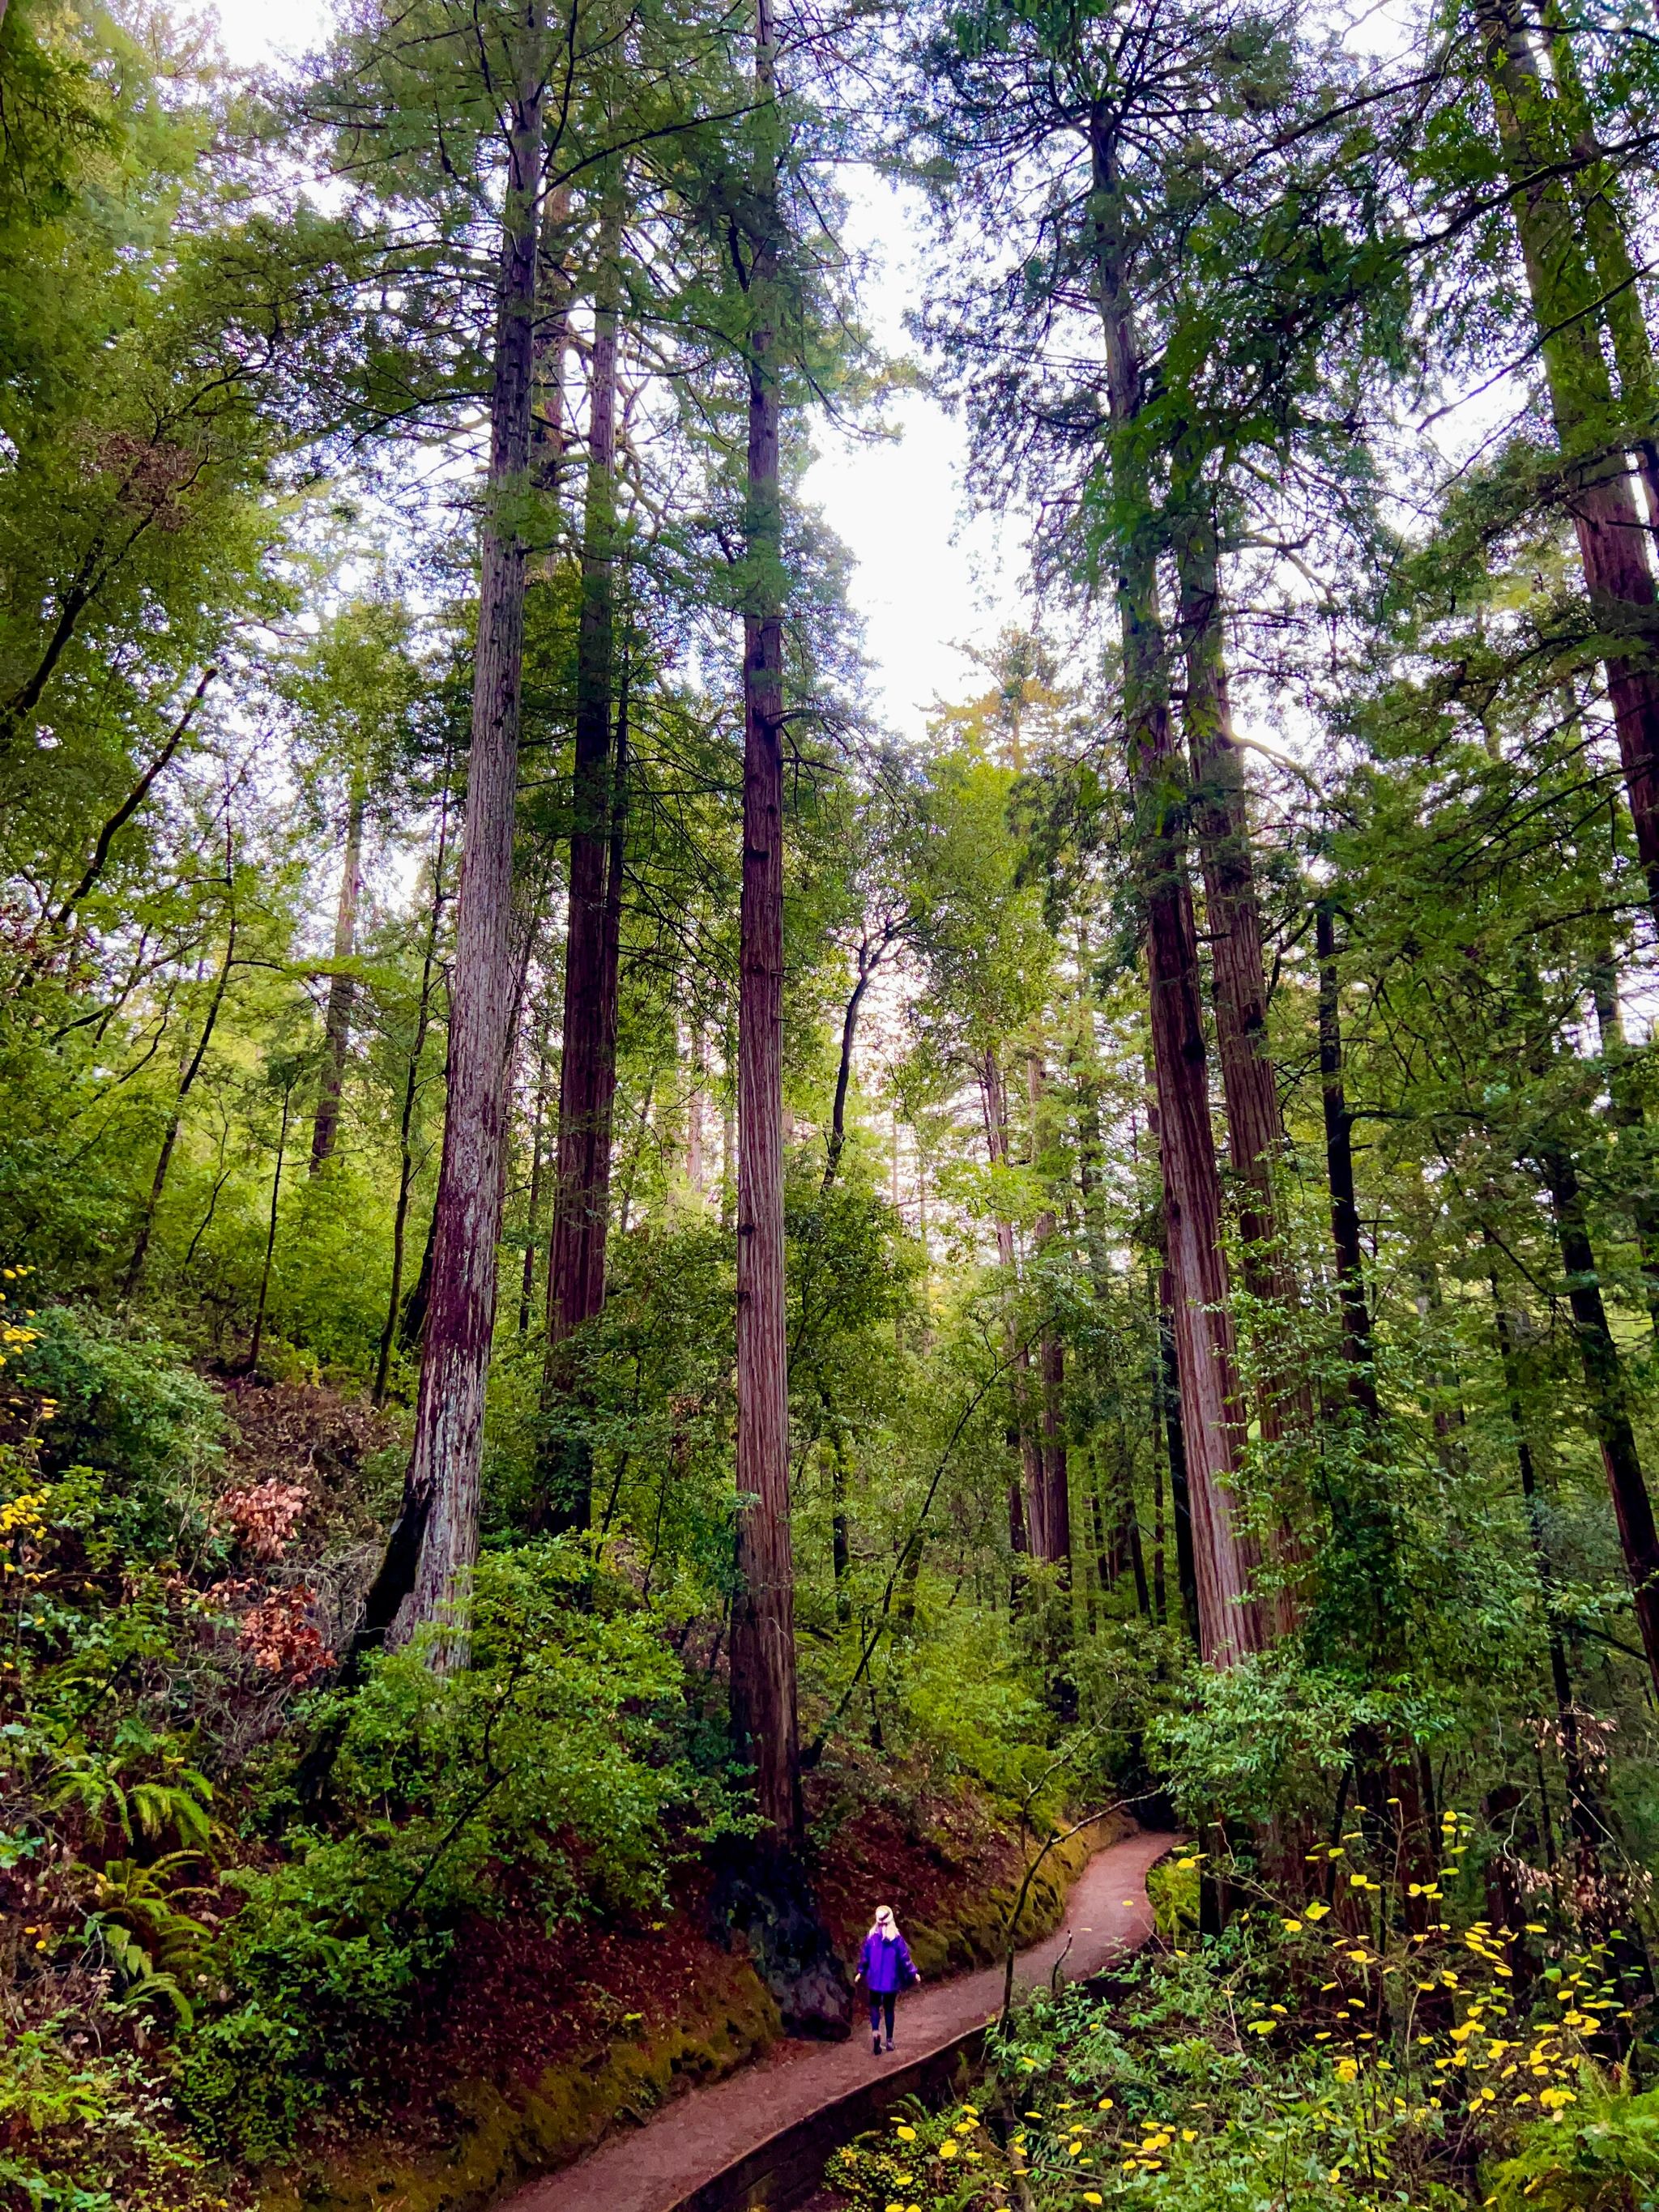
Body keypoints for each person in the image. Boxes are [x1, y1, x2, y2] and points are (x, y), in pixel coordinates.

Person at [857, 1903, 918, 2055]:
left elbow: (865, 1958)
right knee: (889, 2009)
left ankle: (876, 2032)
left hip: (874, 1980)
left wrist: (861, 1972)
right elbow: (905, 1959)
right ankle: (889, 2041)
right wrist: (914, 1973)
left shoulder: (871, 1938)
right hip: (891, 1981)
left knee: (874, 2006)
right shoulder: (897, 1939)